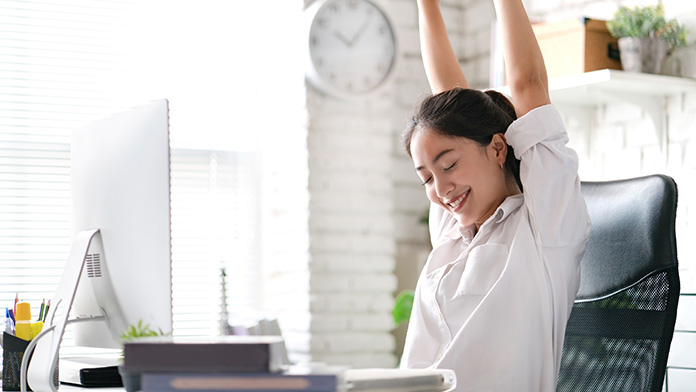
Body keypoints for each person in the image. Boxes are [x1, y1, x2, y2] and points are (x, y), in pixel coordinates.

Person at [399, 0, 592, 390]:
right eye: (427, 178)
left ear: (498, 148)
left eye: (449, 165)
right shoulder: (453, 232)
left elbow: (527, 82)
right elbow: (449, 99)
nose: (440, 190)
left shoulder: (544, 229)